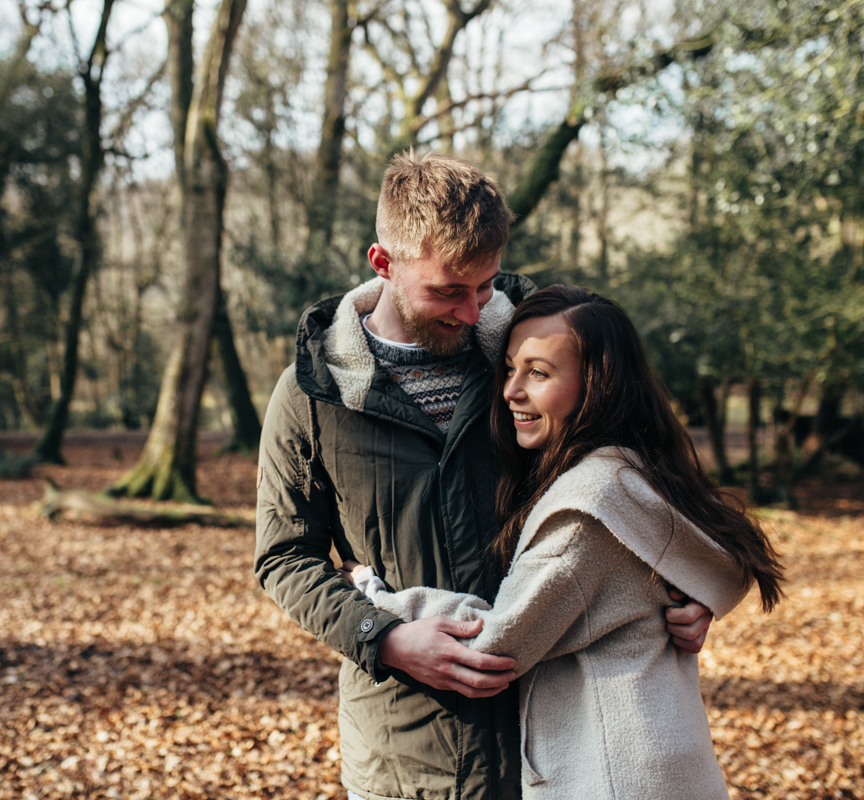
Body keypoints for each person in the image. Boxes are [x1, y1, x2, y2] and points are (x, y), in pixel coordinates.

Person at [253, 152, 716, 800]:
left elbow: (625, 480)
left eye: (486, 286)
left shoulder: (538, 358)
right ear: (382, 263)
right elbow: (282, 559)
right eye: (449, 290)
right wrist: (384, 637)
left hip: (559, 743)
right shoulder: (310, 396)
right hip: (402, 755)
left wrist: (681, 585)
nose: (473, 312)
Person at [347, 285, 785, 799]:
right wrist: (708, 592)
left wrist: (376, 595)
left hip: (613, 776)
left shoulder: (585, 509)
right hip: (662, 766)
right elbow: (723, 552)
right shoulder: (633, 470)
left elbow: (495, 644)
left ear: (597, 386)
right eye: (509, 368)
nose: (511, 390)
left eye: (538, 373)